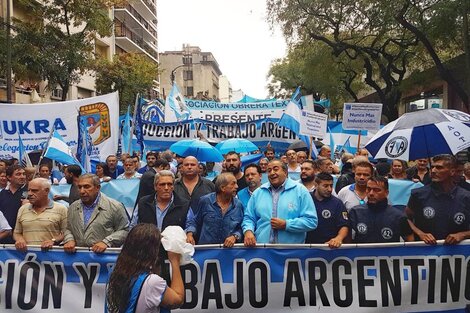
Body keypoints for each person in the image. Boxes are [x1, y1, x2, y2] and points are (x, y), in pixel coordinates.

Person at [106, 223, 184, 313]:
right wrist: (175, 262)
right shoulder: (152, 282)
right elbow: (178, 299)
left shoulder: (114, 271)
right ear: (152, 252)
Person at [242, 160, 317, 245]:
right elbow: (249, 218)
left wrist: (287, 224)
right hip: (263, 251)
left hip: (291, 252)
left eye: (276, 169)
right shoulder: (258, 192)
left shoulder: (300, 191)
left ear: (285, 172)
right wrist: (248, 231)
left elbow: (311, 221)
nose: (272, 173)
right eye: (269, 170)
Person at [405, 154, 470, 244]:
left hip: (458, 254)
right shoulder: (418, 194)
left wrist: (462, 235)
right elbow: (405, 218)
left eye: (439, 168)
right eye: (432, 167)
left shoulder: (466, 196)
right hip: (426, 253)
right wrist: (420, 233)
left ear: (452, 171)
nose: (433, 171)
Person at [63, 174, 129, 253]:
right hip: (78, 259)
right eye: (79, 187)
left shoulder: (115, 206)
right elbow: (69, 229)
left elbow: (124, 231)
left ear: (97, 188)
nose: (82, 191)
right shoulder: (73, 207)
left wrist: (106, 242)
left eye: (86, 187)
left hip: (103, 259)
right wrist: (69, 239)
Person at [349, 177, 414, 243]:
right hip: (361, 253)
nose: (371, 193)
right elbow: (348, 239)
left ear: (386, 193)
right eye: (368, 189)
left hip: (389, 252)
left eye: (376, 190)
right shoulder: (355, 212)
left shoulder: (398, 216)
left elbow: (409, 239)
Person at [186, 172, 244, 246]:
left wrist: (235, 236)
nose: (237, 186)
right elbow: (195, 221)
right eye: (233, 184)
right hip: (206, 252)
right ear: (222, 188)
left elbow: (241, 227)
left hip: (229, 253)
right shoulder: (205, 201)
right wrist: (190, 234)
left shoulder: (238, 205)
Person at [13, 178, 67, 251]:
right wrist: (20, 240)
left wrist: (53, 241)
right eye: (29, 190)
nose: (30, 194)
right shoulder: (23, 209)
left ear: (46, 191)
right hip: (27, 258)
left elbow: (67, 233)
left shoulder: (61, 209)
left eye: (34, 191)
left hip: (52, 258)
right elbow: (17, 233)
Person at [305, 173, 349, 248]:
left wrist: (338, 238)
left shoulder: (337, 203)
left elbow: (344, 225)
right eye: (325, 186)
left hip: (329, 246)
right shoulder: (306, 199)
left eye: (331, 186)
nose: (329, 189)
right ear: (316, 185)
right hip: (306, 246)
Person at [0, 165, 28, 244]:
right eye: (18, 174)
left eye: (24, 174)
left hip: (23, 239)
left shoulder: (29, 193)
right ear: (9, 177)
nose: (22, 177)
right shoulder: (2, 194)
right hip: (4, 239)